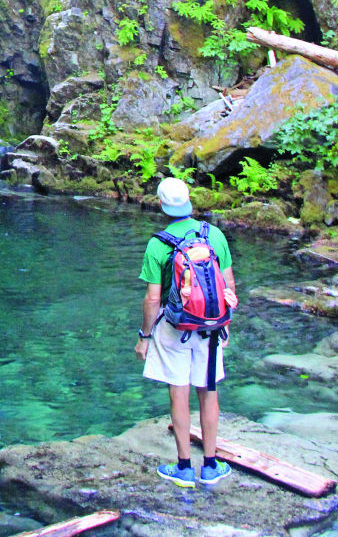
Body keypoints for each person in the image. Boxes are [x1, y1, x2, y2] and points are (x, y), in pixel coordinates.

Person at [134, 176, 238, 488]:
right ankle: (210, 465)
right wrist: (225, 323)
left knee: (178, 391)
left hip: (174, 326)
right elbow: (229, 285)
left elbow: (153, 299)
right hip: (210, 325)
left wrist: (144, 336)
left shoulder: (158, 243)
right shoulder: (214, 234)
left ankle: (183, 468)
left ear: (162, 204)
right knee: (208, 391)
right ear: (189, 201)